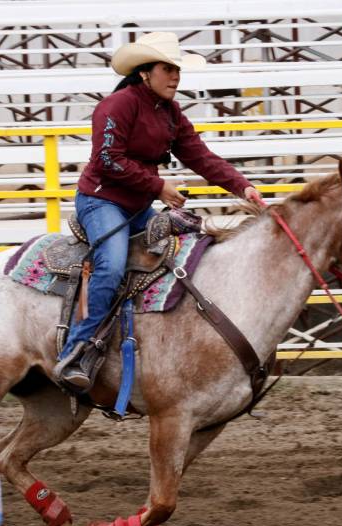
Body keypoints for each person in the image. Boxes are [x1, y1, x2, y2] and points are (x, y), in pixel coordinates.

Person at [54, 32, 263, 390]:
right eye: (168, 69)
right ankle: (77, 350)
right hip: (101, 201)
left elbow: (200, 156)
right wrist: (158, 187)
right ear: (145, 72)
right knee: (113, 262)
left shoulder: (169, 112)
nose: (175, 76)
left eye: (177, 69)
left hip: (136, 207)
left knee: (192, 245)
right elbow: (106, 160)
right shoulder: (117, 105)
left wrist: (243, 187)